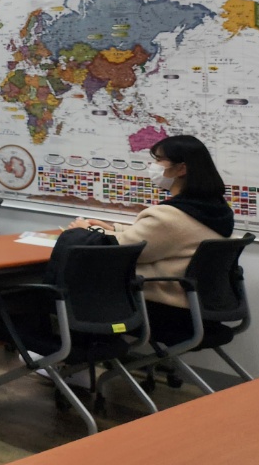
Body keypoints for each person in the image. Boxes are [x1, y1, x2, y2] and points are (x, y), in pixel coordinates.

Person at [69, 134, 234, 323]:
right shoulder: (214, 209)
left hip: (162, 305)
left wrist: (85, 230)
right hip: (197, 303)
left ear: (181, 168)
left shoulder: (171, 216)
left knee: (73, 284)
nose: (153, 166)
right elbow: (156, 237)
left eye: (159, 160)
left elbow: (124, 250)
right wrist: (113, 228)